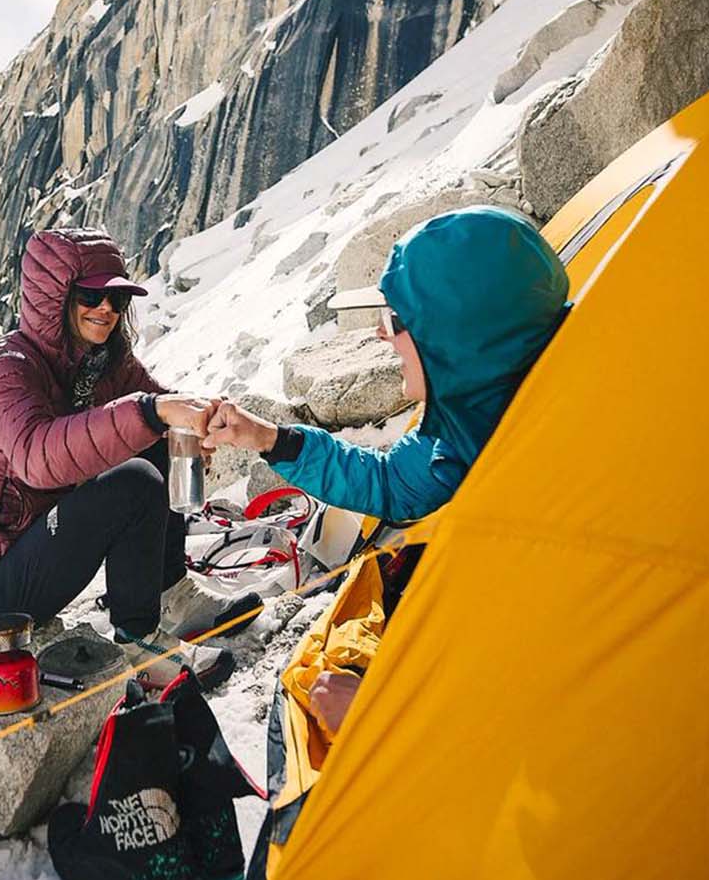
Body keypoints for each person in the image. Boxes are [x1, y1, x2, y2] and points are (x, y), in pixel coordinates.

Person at [205, 204, 570, 728]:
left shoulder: (547, 467)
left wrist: (386, 710)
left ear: (453, 337)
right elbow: (392, 482)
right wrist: (267, 439)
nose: (381, 334)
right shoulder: (469, 416)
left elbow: (545, 675)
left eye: (395, 320)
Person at [0, 227, 258, 687]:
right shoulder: (6, 368)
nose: (106, 308)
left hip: (43, 541)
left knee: (157, 437)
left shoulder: (100, 360)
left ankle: (171, 595)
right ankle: (139, 643)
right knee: (135, 481)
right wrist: (152, 412)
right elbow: (35, 458)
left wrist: (198, 419)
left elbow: (156, 403)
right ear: (54, 297)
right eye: (90, 295)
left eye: (118, 299)